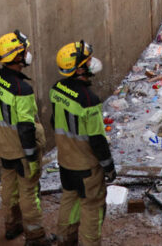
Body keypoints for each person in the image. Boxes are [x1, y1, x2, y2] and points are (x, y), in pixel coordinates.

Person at [0, 31, 51, 246]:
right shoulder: (22, 89)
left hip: (2, 146)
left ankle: (11, 226)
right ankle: (35, 237)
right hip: (22, 149)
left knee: (8, 188)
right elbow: (25, 125)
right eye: (24, 51)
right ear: (16, 57)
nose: (28, 54)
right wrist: (32, 155)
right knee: (29, 193)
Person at [50, 41, 116, 246]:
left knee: (69, 199)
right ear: (79, 69)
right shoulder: (89, 100)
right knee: (92, 207)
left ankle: (64, 239)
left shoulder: (57, 89)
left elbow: (54, 121)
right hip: (86, 167)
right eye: (87, 61)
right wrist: (108, 167)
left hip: (65, 161)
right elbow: (97, 139)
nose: (92, 63)